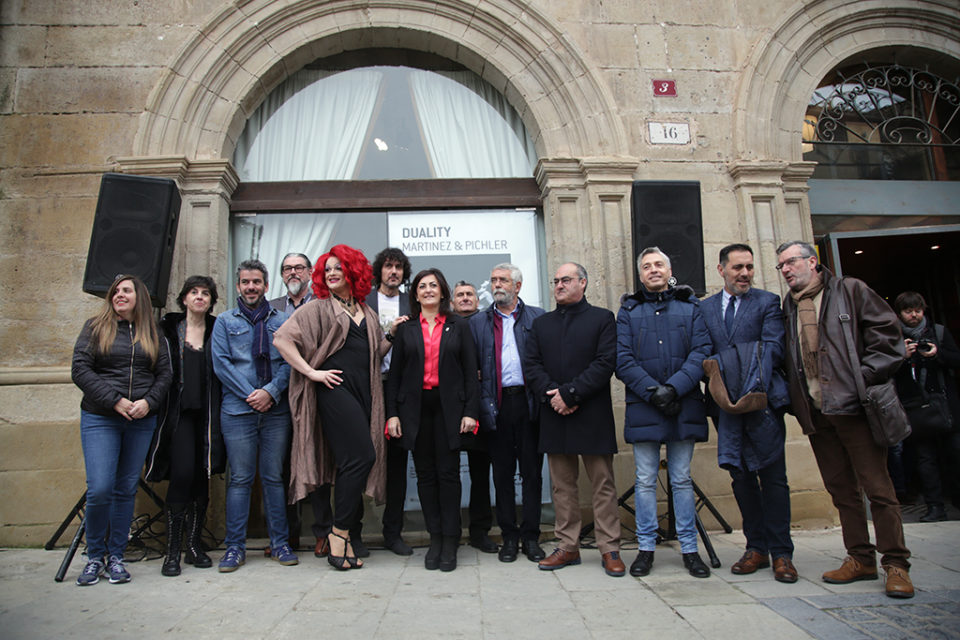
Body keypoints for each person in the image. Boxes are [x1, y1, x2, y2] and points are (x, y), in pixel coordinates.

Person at [777, 240, 913, 598]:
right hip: (819, 413)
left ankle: (896, 563)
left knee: (878, 489)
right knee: (842, 492)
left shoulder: (850, 291)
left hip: (856, 409)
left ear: (813, 261)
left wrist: (862, 378)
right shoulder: (789, 305)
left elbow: (889, 339)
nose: (787, 269)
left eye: (791, 262)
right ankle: (860, 558)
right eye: (781, 266)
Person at [274, 245, 397, 570]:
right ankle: (338, 533)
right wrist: (312, 372)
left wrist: (391, 334)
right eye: (326, 269)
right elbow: (282, 339)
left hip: (363, 392)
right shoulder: (318, 308)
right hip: (334, 391)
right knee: (362, 456)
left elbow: (371, 354)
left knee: (350, 463)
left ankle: (339, 535)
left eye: (337, 269)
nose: (330, 274)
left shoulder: (366, 312)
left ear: (352, 273)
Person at [700, 244, 797, 582]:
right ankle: (756, 547)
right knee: (740, 477)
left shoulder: (768, 303)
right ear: (721, 270)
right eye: (737, 267)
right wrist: (725, 387)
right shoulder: (705, 308)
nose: (744, 274)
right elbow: (703, 354)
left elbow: (771, 348)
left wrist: (742, 384)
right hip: (724, 407)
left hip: (761, 403)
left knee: (773, 477)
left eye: (750, 267)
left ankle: (782, 553)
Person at [616, 247, 712, 578]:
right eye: (646, 266)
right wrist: (653, 392)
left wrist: (674, 388)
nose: (653, 270)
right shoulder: (628, 311)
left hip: (683, 403)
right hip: (644, 406)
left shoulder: (690, 307)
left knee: (681, 479)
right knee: (644, 479)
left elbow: (702, 351)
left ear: (668, 270)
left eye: (659, 264)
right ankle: (646, 548)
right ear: (640, 274)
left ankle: (689, 548)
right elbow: (623, 359)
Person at [523, 262, 625, 577]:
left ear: (583, 282)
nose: (559, 285)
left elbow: (605, 362)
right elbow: (531, 365)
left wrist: (571, 394)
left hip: (590, 412)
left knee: (603, 484)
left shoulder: (602, 319)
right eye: (555, 281)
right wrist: (554, 396)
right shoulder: (542, 324)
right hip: (554, 414)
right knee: (562, 486)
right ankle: (567, 546)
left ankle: (610, 549)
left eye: (565, 280)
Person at [71, 275, 173, 586]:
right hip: (101, 417)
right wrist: (115, 400)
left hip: (140, 420)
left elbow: (165, 373)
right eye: (115, 291)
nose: (119, 294)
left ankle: (116, 556)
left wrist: (148, 403)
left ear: (139, 296)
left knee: (125, 488)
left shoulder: (153, 332)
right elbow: (80, 368)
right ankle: (94, 557)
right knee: (100, 487)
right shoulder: (95, 327)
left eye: (126, 290)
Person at [386, 268, 480, 572]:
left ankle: (451, 540)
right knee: (425, 476)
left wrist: (470, 412)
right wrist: (392, 415)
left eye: (433, 286)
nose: (428, 290)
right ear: (415, 294)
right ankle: (435, 538)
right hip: (416, 409)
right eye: (422, 286)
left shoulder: (458, 325)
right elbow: (395, 377)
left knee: (449, 476)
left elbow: (471, 374)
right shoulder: (407, 329)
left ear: (442, 292)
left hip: (449, 408)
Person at [211, 259, 297, 572]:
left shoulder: (283, 320)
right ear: (238, 286)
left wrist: (271, 392)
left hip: (275, 412)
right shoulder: (224, 321)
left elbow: (291, 362)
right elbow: (221, 364)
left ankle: (280, 543)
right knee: (240, 480)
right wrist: (252, 394)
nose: (251, 287)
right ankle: (234, 548)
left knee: (274, 478)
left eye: (257, 282)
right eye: (246, 282)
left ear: (265, 285)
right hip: (237, 412)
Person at [146, 275, 224, 577]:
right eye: (194, 292)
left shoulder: (218, 329)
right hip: (177, 415)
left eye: (206, 293)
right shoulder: (167, 329)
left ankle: (193, 545)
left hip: (208, 415)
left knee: (201, 478)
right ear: (184, 298)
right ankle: (172, 551)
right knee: (181, 475)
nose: (200, 297)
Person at [469, 265, 546, 563]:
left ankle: (531, 537)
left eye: (503, 280)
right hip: (496, 405)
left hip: (527, 404)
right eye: (494, 280)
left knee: (531, 474)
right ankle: (510, 537)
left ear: (518, 286)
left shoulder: (538, 318)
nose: (497, 284)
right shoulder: (478, 323)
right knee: (501, 475)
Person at [364, 247, 415, 556]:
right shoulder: (364, 302)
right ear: (379, 271)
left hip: (404, 390)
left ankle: (392, 533)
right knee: (360, 458)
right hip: (369, 388)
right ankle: (352, 532)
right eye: (388, 266)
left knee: (397, 463)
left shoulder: (413, 302)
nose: (393, 272)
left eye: (398, 267)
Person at [893, 291, 960, 522]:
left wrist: (937, 354)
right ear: (899, 314)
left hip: (944, 403)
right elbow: (886, 370)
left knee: (955, 453)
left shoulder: (938, 332)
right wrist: (902, 356)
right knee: (925, 459)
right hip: (915, 405)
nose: (914, 315)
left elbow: (956, 359)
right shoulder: (894, 337)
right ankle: (935, 506)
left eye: (918, 311)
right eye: (908, 311)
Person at [268, 252, 317, 558]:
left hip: (315, 394)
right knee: (284, 469)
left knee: (318, 465)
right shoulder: (271, 309)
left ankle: (323, 533)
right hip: (279, 402)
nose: (293, 272)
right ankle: (288, 537)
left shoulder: (323, 304)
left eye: (299, 267)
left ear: (310, 272)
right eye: (287, 268)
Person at [451, 280, 499, 554]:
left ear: (477, 300)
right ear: (453, 302)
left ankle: (480, 531)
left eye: (470, 294)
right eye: (460, 295)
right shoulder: (446, 325)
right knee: (449, 473)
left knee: (481, 474)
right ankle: (451, 530)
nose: (466, 298)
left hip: (480, 407)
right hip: (450, 409)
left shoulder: (486, 324)